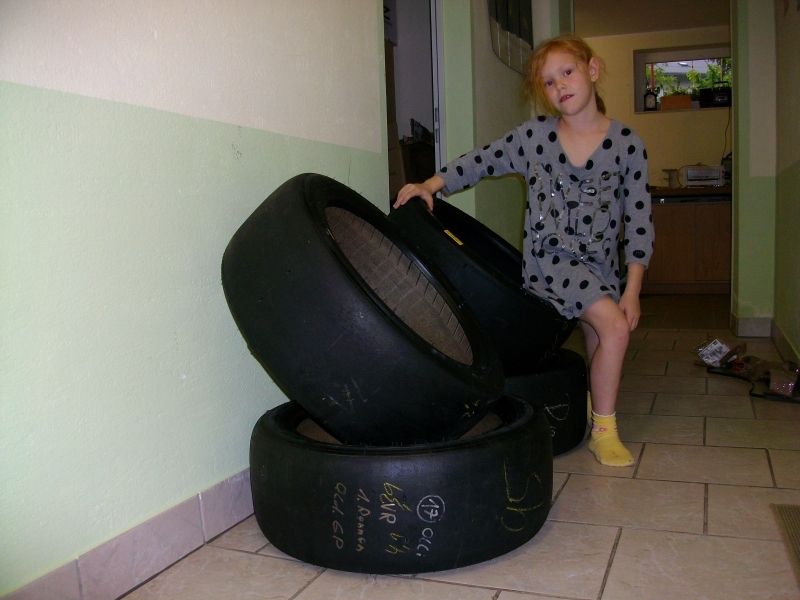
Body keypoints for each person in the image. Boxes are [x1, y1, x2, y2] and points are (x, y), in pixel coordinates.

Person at [393, 35, 653, 467]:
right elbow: (480, 161)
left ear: (592, 70)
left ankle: (596, 407)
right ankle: (605, 430)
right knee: (615, 329)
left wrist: (633, 289)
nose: (560, 85)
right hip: (552, 263)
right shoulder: (535, 137)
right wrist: (430, 185)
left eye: (567, 72)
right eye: (549, 82)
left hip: (603, 268)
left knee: (600, 336)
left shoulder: (627, 145)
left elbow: (641, 221)